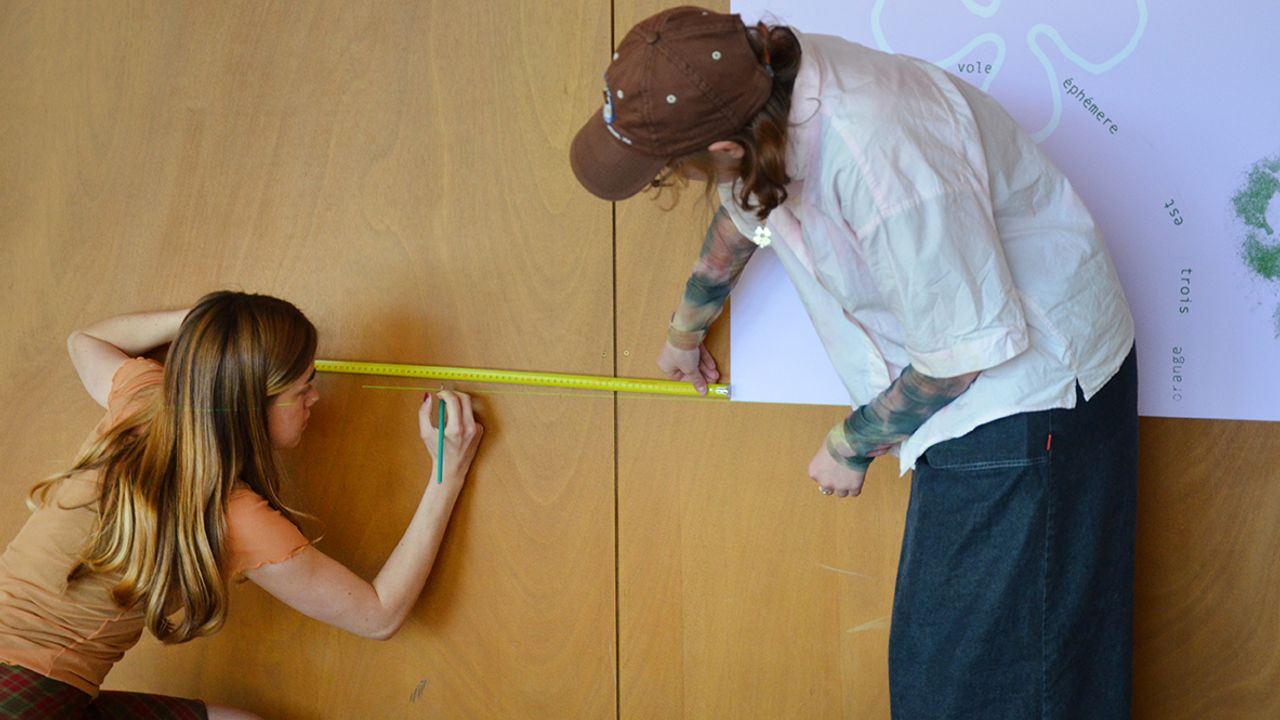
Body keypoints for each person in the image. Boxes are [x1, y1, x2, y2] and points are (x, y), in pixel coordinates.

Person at [570, 6, 1137, 719]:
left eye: (669, 170)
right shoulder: (767, 87)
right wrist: (687, 327)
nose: (675, 181)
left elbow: (962, 351)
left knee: (978, 691)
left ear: (719, 144)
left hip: (1028, 394)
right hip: (975, 398)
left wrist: (852, 443)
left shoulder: (880, 148)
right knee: (977, 681)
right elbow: (748, 206)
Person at [0, 291, 484, 719]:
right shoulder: (231, 514)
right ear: (250, 407)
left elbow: (84, 341)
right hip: (29, 697)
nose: (315, 398)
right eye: (302, 389)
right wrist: (448, 471)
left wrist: (212, 326)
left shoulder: (143, 404)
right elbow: (378, 616)